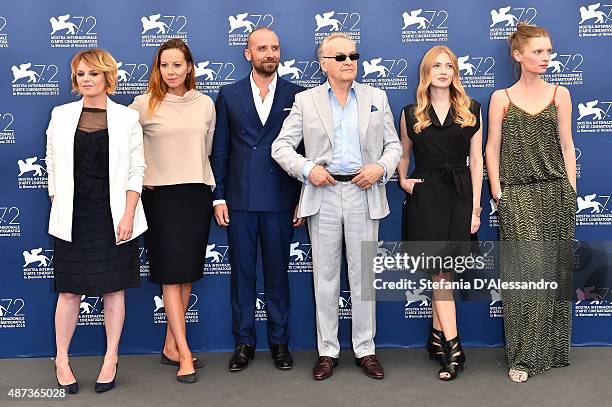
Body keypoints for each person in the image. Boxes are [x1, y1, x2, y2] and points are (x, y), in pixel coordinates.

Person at [272, 33, 402, 381]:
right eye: (340, 57)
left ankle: (365, 350)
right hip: (324, 194)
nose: (349, 62)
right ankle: (327, 351)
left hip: (364, 192)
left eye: (353, 55)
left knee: (363, 277)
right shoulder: (306, 100)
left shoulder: (377, 97)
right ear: (324, 64)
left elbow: (394, 147)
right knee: (325, 277)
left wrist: (380, 168)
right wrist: (307, 169)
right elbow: (281, 146)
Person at [46, 48, 147, 394]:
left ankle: (111, 357)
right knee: (69, 291)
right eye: (80, 74)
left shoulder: (127, 118)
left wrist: (129, 214)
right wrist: (58, 203)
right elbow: (52, 163)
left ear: (107, 77)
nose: (85, 80)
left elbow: (137, 169)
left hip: (113, 215)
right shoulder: (60, 115)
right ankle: (61, 359)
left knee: (113, 289)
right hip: (73, 217)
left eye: (92, 73)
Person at [485, 22, 576, 383]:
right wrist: (498, 191)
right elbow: (492, 148)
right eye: (538, 51)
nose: (545, 57)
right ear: (518, 54)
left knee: (553, 273)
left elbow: (568, 147)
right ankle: (523, 357)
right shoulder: (501, 98)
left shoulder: (560, 94)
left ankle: (551, 351)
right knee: (526, 275)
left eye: (548, 51)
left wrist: (570, 189)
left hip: (556, 193)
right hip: (518, 193)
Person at [211, 27, 305, 372]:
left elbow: (305, 153)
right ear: (248, 54)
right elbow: (219, 151)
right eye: (262, 48)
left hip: (282, 199)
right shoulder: (229, 94)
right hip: (240, 201)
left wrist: (302, 199)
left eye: (275, 48)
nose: (270, 53)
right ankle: (244, 342)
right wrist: (218, 197)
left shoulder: (299, 96)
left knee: (279, 275)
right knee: (243, 276)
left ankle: (280, 343)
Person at [129, 38, 216, 384]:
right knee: (169, 274)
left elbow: (206, 150)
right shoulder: (142, 104)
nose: (170, 71)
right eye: (164, 65)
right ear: (158, 69)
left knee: (186, 275)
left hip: (196, 195)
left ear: (189, 67)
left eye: (177, 64)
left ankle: (169, 345)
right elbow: (123, 146)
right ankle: (184, 354)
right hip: (161, 199)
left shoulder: (206, 104)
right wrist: (140, 175)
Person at [397, 45, 483, 381]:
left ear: (456, 72)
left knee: (444, 274)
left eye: (449, 66)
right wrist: (404, 182)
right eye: (437, 65)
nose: (444, 71)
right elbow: (403, 154)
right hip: (427, 196)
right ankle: (454, 347)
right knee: (439, 274)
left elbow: (476, 161)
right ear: (426, 72)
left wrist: (475, 207)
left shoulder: (471, 109)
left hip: (461, 195)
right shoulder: (410, 113)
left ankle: (436, 339)